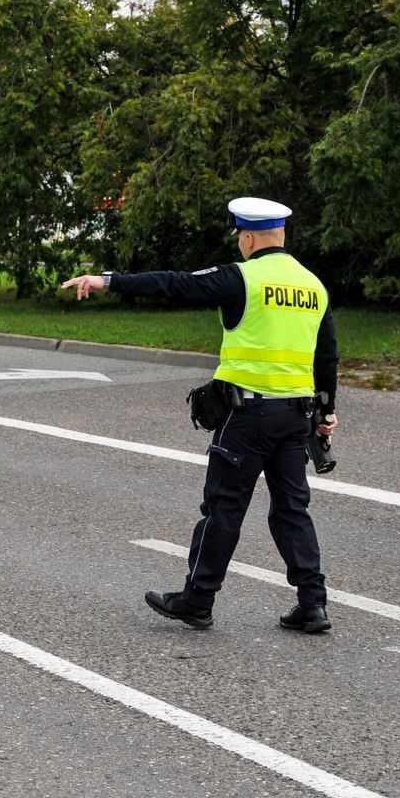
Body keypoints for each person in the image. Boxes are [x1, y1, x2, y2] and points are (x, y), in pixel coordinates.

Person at [62, 197, 339, 633]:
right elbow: (327, 356)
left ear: (248, 238)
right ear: (281, 236)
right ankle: (313, 604)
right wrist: (326, 411)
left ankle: (197, 600)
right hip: (295, 419)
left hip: (248, 417)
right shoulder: (313, 286)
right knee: (292, 511)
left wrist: (109, 281)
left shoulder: (241, 277)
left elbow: (176, 283)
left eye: (239, 237)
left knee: (224, 509)